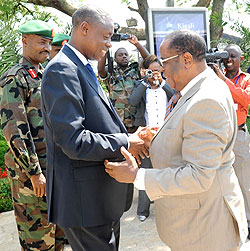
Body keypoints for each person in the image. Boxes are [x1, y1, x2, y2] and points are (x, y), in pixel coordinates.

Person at [104, 30, 248, 251]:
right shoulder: (197, 89)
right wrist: (158, 140)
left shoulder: (206, 99)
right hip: (197, 223)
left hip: (206, 229)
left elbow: (198, 175)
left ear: (187, 59)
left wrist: (136, 176)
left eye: (164, 62)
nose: (160, 70)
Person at [41, 5, 147, 251]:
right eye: (106, 36)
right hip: (84, 203)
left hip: (98, 199)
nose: (109, 44)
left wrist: (131, 136)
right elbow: (73, 140)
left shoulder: (81, 67)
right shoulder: (62, 69)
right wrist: (125, 142)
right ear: (84, 29)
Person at [0, 20, 65, 251]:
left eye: (49, 43)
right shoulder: (14, 78)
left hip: (54, 171)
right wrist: (35, 172)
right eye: (41, 42)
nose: (47, 48)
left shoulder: (43, 75)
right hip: (32, 177)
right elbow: (14, 130)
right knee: (37, 241)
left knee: (57, 237)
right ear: (24, 41)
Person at [129, 54, 174, 222]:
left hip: (166, 134)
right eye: (151, 71)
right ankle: (143, 210)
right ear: (144, 71)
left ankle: (168, 209)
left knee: (166, 172)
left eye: (157, 70)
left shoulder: (167, 85)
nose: (154, 74)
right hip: (147, 136)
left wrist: (162, 82)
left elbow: (176, 96)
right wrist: (144, 81)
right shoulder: (141, 87)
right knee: (145, 172)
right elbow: (133, 101)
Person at [213, 44, 250, 238]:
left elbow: (245, 100)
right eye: (226, 56)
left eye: (233, 56)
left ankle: (248, 221)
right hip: (219, 136)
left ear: (241, 59)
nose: (228, 60)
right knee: (218, 179)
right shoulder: (214, 78)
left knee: (244, 180)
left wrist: (224, 80)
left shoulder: (246, 80)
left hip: (239, 135)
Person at [98, 35, 149, 133]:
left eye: (126, 54)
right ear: (115, 59)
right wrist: (106, 47)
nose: (124, 56)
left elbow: (148, 60)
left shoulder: (136, 71)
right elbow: (100, 70)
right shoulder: (111, 72)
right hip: (117, 121)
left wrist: (137, 44)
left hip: (136, 120)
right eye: (120, 55)